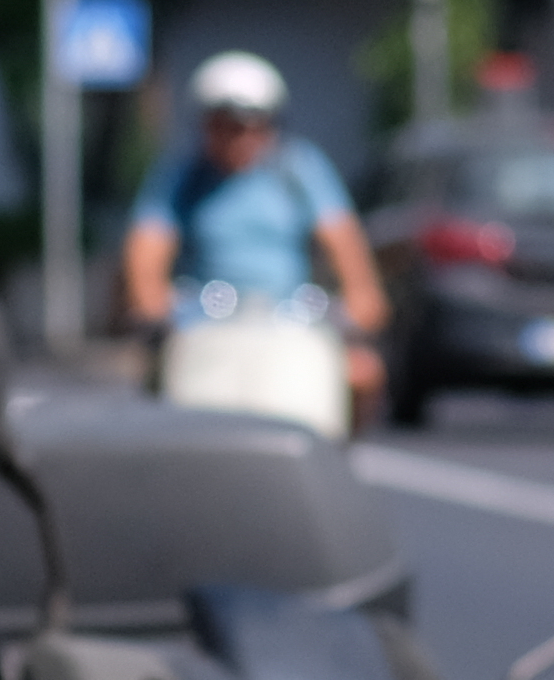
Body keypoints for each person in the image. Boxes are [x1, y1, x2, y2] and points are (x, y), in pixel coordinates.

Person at [120, 50, 387, 412]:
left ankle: (337, 458)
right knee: (157, 388)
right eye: (223, 126)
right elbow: (148, 243)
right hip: (203, 323)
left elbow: (342, 238)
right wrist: (150, 301)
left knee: (363, 374)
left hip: (290, 322)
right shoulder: (183, 177)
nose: (237, 138)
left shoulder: (298, 170)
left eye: (249, 126)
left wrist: (362, 296)